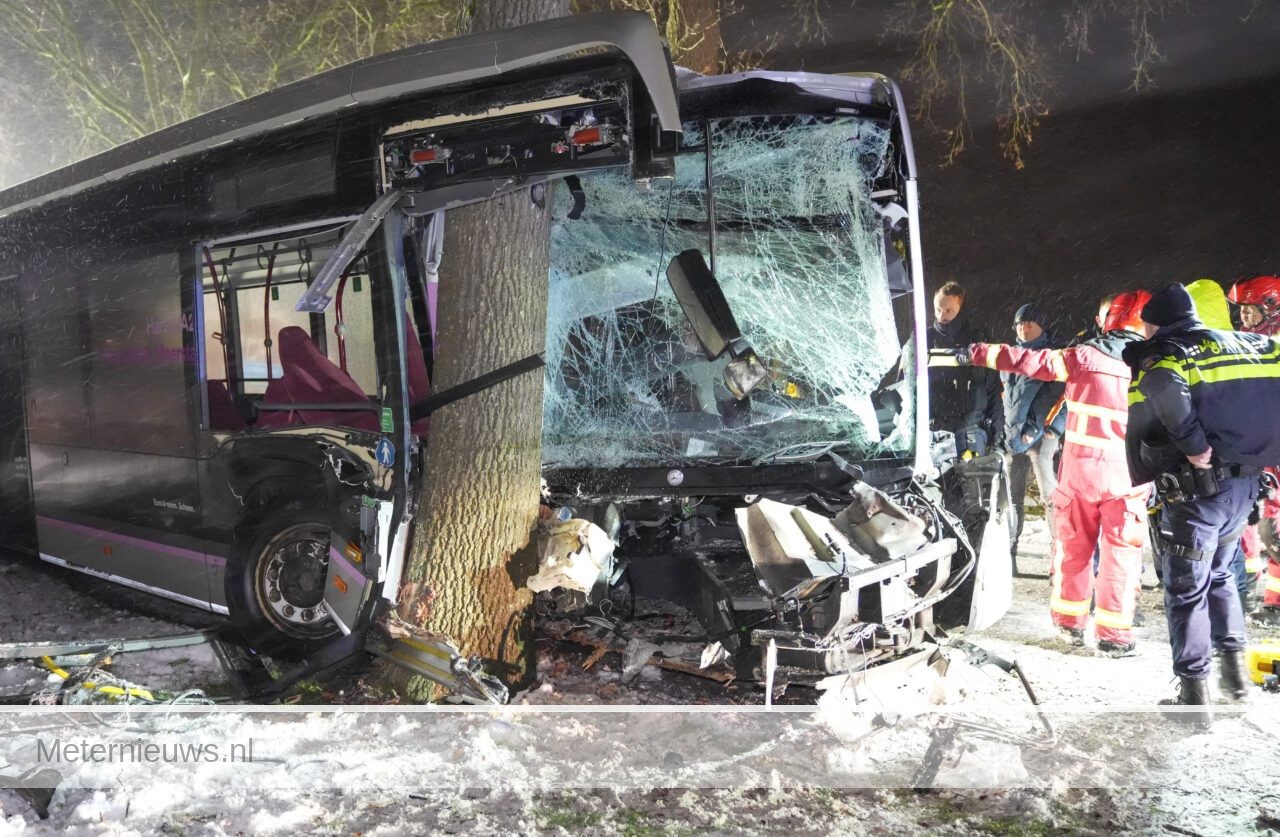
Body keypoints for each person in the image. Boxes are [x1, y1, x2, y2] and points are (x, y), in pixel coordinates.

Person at [958, 289, 1151, 655]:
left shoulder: (1082, 356)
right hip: (1127, 475)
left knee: (1073, 546)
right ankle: (1114, 635)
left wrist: (976, 352)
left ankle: (1069, 621)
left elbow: (1029, 361)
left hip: (1079, 471)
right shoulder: (1152, 364)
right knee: (1121, 552)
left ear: (1107, 320)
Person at [1123, 282, 1280, 712]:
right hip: (1245, 488)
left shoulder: (1168, 352)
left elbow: (1163, 386)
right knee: (1222, 576)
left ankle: (1194, 695)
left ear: (1156, 324)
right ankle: (1236, 681)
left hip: (1197, 494)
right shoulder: (1250, 344)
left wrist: (1193, 445)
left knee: (1186, 589)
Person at [1228, 274, 1280, 623]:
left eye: (1251, 310)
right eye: (1243, 310)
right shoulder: (1248, 341)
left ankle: (1275, 603)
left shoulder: (1273, 343)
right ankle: (1259, 594)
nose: (1245, 316)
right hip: (1255, 441)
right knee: (1257, 517)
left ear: (1271, 308)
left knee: (1273, 524)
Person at [1002, 304, 1065, 561]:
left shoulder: (1053, 356)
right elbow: (1002, 398)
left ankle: (1061, 558)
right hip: (1011, 438)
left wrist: (1051, 429)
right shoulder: (1007, 357)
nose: (1024, 328)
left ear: (1042, 326)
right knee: (1010, 498)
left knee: (1052, 497)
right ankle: (1009, 556)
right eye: (1019, 324)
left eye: (1030, 323)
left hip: (1043, 437)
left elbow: (1063, 396)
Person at [927, 282, 1003, 457]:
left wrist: (998, 430)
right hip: (935, 430)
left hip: (971, 429)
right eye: (938, 309)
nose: (942, 315)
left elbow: (993, 388)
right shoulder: (924, 339)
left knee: (971, 482)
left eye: (949, 311)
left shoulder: (978, 340)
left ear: (961, 309)